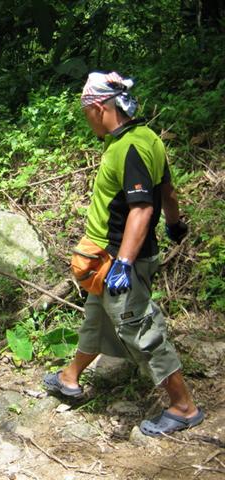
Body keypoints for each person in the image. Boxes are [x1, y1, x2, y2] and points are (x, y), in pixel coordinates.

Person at [43, 72, 204, 437]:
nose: (86, 119)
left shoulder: (129, 148)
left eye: (86, 111)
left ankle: (184, 407)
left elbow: (141, 208)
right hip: (105, 259)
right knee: (97, 317)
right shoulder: (147, 138)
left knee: (141, 329)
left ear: (99, 107)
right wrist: (174, 223)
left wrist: (125, 263)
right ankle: (70, 377)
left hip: (120, 258)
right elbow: (167, 191)